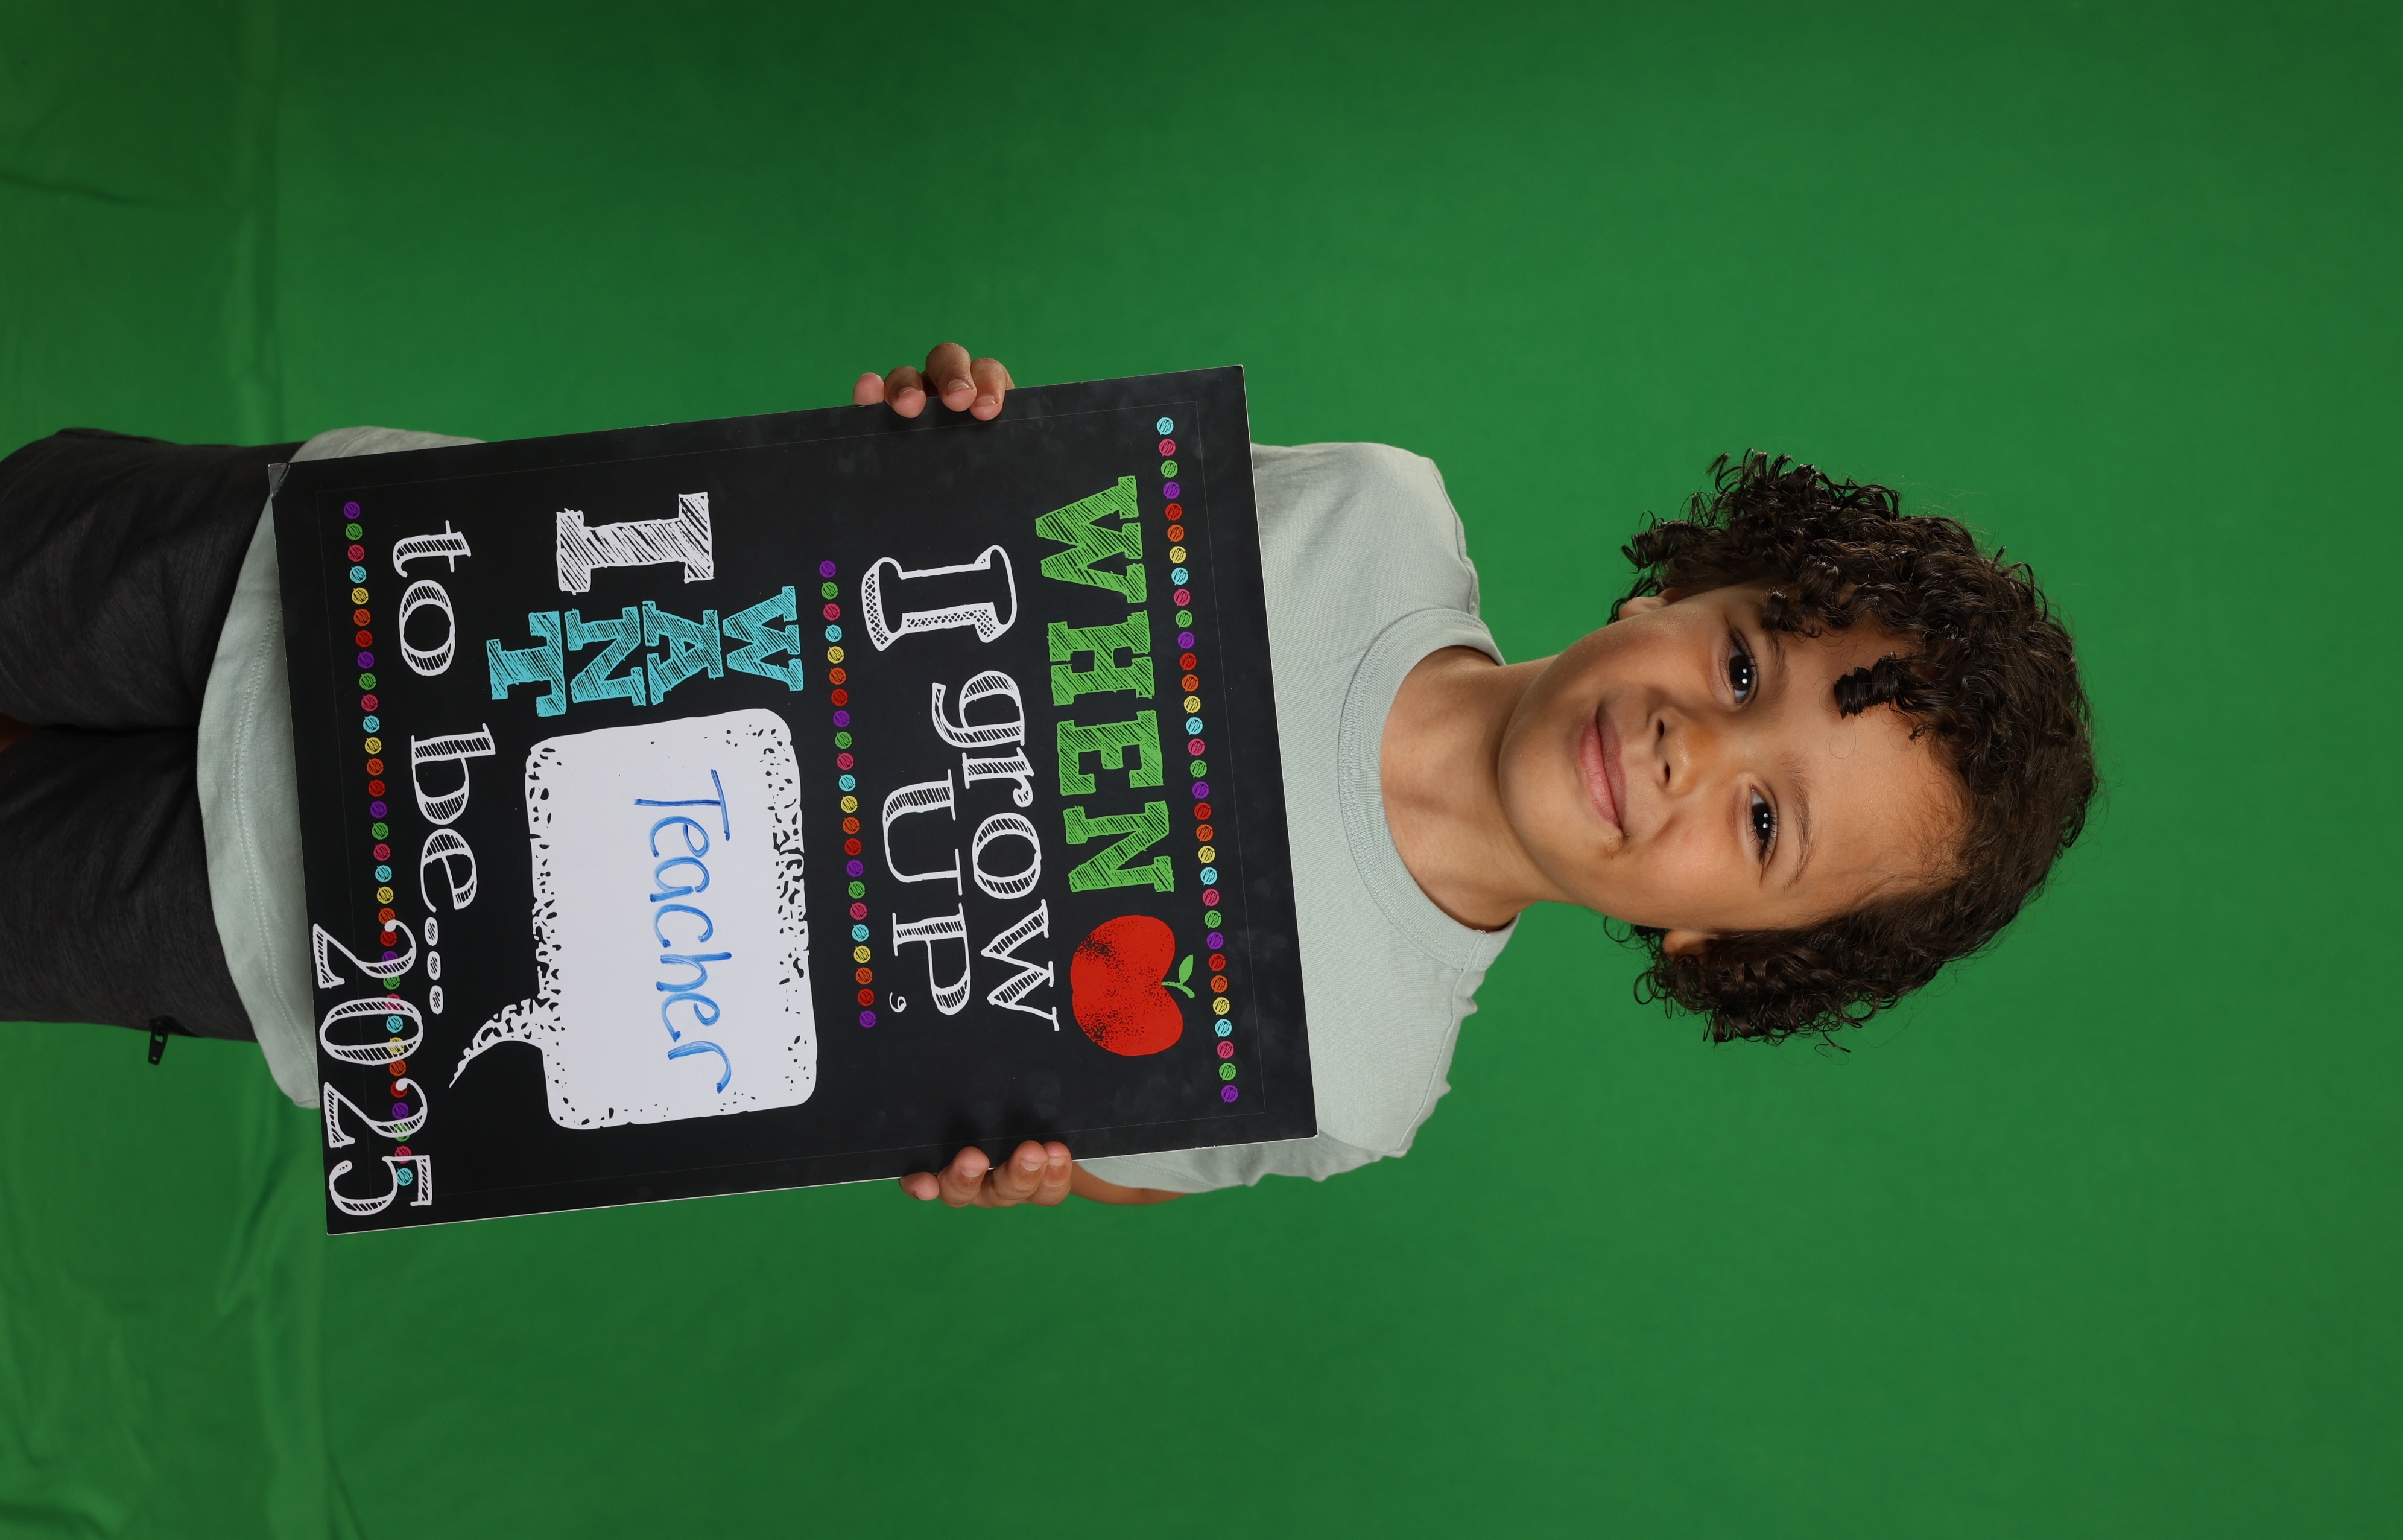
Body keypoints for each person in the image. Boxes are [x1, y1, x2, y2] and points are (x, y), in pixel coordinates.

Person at [0, 345, 2095, 1212]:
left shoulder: (1359, 1081)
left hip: (360, 939)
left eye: (1763, 823)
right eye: (1745, 665)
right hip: (379, 597)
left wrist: (1029, 1164)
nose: (1698, 746)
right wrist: (942, 431)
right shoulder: (1381, 511)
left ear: (1717, 945)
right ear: (1687, 588)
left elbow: (1053, 1129)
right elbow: (978, 526)